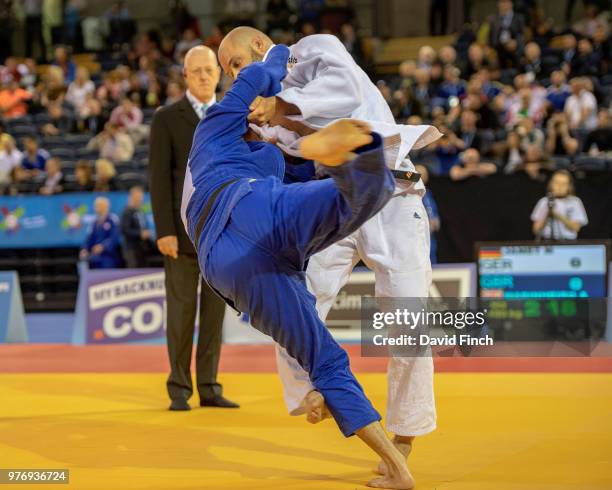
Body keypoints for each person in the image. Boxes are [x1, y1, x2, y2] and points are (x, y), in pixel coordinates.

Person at [182, 42, 414, 490]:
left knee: (323, 358)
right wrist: (279, 53)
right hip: (250, 206)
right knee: (359, 194)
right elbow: (261, 72)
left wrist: (299, 141)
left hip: (232, 268)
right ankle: (362, 158)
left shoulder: (260, 153)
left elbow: (300, 169)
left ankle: (397, 470)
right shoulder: (215, 124)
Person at [149, 45, 235, 411]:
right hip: (181, 235)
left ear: (219, 73)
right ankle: (180, 388)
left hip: (220, 233)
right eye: (196, 70)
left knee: (214, 316)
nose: (203, 76)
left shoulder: (232, 115)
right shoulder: (167, 118)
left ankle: (210, 387)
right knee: (181, 312)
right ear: (184, 76)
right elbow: (158, 179)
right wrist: (165, 230)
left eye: (209, 69)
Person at [531, 170, 588, 240]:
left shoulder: (575, 201)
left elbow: (576, 227)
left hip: (568, 242)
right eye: (557, 183)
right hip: (546, 241)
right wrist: (548, 213)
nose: (560, 187)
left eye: (564, 184)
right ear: (551, 184)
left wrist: (556, 214)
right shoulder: (544, 202)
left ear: (569, 186)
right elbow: (536, 230)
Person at [80, 197, 123, 269]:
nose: (95, 208)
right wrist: (85, 249)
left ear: (105, 206)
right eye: (95, 205)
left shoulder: (112, 219)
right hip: (95, 257)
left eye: (98, 205)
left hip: (109, 256)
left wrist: (103, 246)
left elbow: (114, 237)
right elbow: (90, 238)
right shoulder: (94, 222)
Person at [120, 186, 152, 268]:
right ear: (132, 197)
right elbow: (124, 230)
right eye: (137, 198)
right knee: (134, 270)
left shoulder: (140, 211)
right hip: (131, 248)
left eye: (141, 197)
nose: (140, 200)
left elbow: (143, 225)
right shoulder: (127, 211)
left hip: (142, 247)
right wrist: (140, 234)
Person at [415, 165, 440, 264]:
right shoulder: (411, 194)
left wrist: (435, 218)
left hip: (429, 235)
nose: (423, 177)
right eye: (420, 175)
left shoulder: (427, 193)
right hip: (416, 234)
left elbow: (432, 208)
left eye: (425, 175)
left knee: (431, 257)